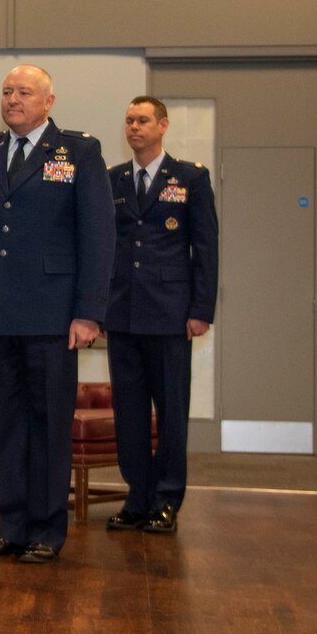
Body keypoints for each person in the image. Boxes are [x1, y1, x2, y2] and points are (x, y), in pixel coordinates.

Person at [0, 65, 113, 564]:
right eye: (6, 91)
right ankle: (13, 524)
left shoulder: (79, 152)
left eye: (24, 92)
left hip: (51, 315)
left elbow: (97, 236)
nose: (13, 99)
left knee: (46, 423)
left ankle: (46, 528)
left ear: (49, 101)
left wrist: (88, 313)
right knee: (3, 422)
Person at [104, 96, 218, 535]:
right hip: (123, 312)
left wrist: (201, 309)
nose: (134, 127)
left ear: (163, 125)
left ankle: (167, 498)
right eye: (129, 120)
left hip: (170, 314)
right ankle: (137, 496)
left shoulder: (189, 177)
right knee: (128, 412)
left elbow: (205, 247)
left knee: (170, 410)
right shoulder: (112, 180)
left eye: (143, 120)